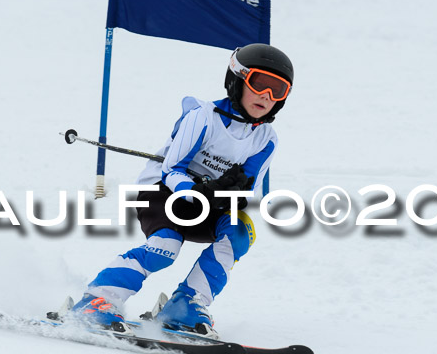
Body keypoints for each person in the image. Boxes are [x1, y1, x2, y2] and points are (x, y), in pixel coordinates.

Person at [69, 44, 294, 338]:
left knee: (240, 233)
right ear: (237, 80)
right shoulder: (204, 117)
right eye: (259, 83)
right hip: (162, 192)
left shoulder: (266, 140)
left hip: (208, 205)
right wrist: (201, 191)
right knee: (165, 247)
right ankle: (98, 299)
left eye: (278, 89)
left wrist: (230, 196)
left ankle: (186, 304)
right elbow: (171, 171)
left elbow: (246, 192)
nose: (267, 96)